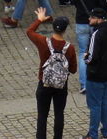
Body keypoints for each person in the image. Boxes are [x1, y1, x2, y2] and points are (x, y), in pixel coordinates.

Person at [28, 11, 77, 139]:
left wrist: (39, 20)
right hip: (61, 86)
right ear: (65, 29)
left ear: (53, 27)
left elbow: (29, 32)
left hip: (44, 83)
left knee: (42, 116)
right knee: (59, 113)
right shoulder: (69, 48)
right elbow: (73, 69)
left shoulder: (43, 42)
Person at [83, 6, 107, 139]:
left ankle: (93, 134)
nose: (89, 19)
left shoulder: (97, 34)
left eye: (92, 17)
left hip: (95, 74)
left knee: (95, 106)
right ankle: (105, 131)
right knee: (106, 102)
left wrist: (85, 58)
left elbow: (91, 56)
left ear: (99, 19)